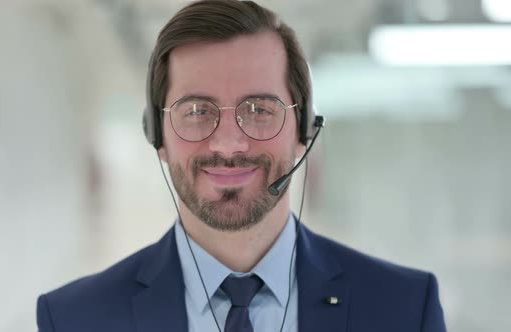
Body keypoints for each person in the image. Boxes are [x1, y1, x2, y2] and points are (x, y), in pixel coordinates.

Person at [36, 1, 447, 331]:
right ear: (157, 135)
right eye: (196, 110)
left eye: (259, 109)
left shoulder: (404, 309)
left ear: (303, 129)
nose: (228, 144)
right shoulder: (75, 319)